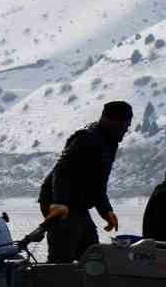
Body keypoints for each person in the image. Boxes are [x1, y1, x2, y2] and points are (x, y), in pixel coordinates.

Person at [37, 100, 133, 263]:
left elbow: (98, 185)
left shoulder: (110, 143)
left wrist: (106, 211)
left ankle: (84, 285)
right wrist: (60, 202)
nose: (127, 129)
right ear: (116, 122)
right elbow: (62, 170)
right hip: (58, 201)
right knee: (63, 253)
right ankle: (52, 283)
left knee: (92, 254)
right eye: (126, 124)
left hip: (78, 205)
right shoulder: (87, 138)